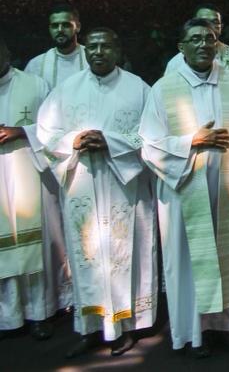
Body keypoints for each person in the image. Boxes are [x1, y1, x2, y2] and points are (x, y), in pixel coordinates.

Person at [142, 18, 229, 356]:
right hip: (182, 190)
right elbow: (149, 143)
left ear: (218, 44)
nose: (204, 44)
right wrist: (192, 140)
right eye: (195, 39)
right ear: (181, 47)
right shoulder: (164, 88)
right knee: (189, 263)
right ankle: (194, 332)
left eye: (210, 38)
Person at [37, 28, 157, 358]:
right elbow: (45, 133)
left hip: (124, 186)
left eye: (106, 45)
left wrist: (110, 142)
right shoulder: (66, 89)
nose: (98, 52)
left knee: (124, 253)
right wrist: (72, 142)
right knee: (88, 256)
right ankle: (91, 327)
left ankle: (126, 326)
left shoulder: (139, 88)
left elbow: (151, 137)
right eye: (92, 46)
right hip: (82, 183)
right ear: (85, 50)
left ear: (118, 50)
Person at [0, 35, 68, 341]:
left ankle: (41, 312)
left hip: (31, 171)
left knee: (37, 244)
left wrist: (21, 131)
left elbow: (56, 128)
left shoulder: (35, 85)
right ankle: (8, 316)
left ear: (8, 52)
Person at [165, 5, 229, 74]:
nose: (209, 26)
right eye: (203, 22)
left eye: (215, 22)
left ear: (221, 27)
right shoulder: (176, 63)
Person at [24, 4, 87, 87]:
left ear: (78, 27)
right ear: (49, 29)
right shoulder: (36, 64)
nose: (60, 30)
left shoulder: (92, 58)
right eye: (55, 26)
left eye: (66, 25)